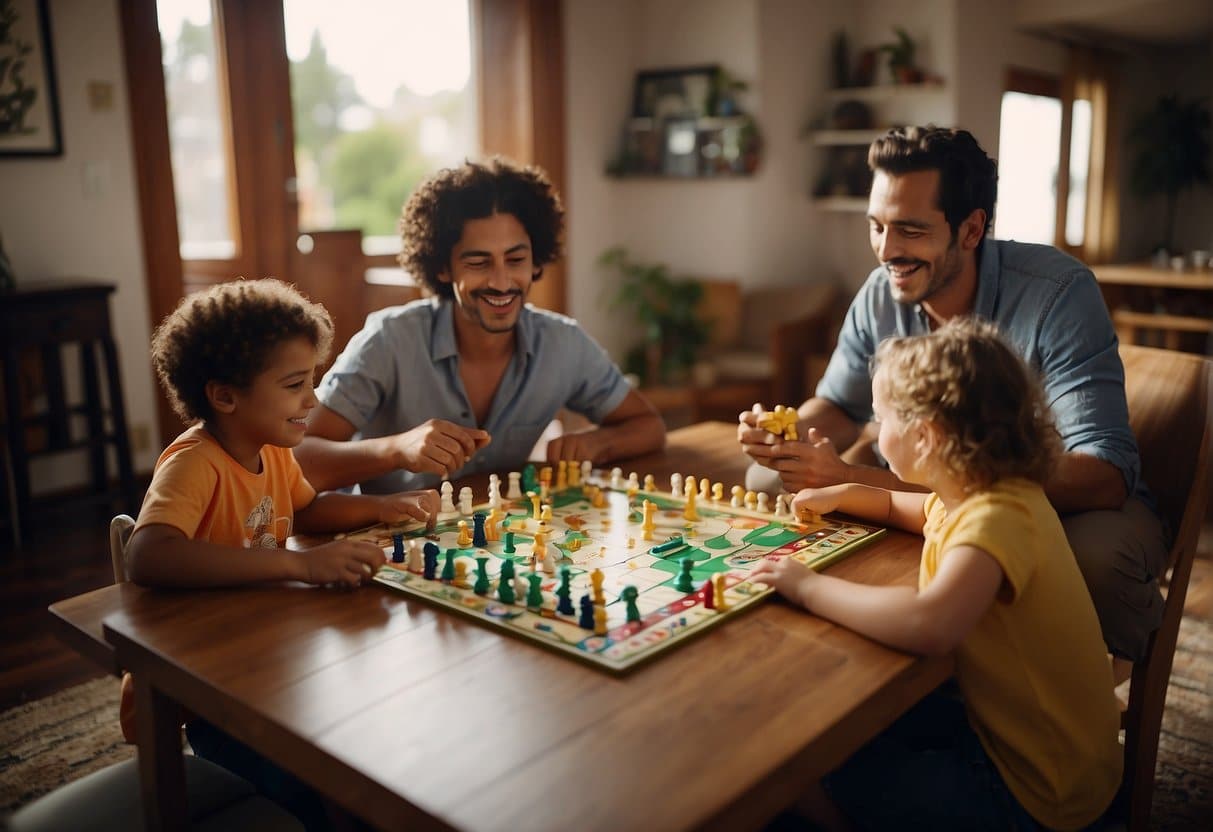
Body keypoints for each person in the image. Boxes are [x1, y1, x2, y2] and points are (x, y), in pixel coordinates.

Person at [738, 126, 1166, 664]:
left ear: (971, 229)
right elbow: (839, 406)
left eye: (910, 231)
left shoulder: (1058, 292)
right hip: (931, 483)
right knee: (770, 476)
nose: (887, 251)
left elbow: (1103, 474)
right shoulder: (880, 292)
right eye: (877, 227)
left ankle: (1070, 670)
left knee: (1095, 559)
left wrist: (860, 478)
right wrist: (785, 432)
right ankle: (893, 646)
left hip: (1058, 499)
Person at [752, 319, 1122, 831]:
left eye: (881, 421)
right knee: (857, 738)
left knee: (805, 778)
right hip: (1024, 742)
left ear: (925, 437)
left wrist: (808, 587)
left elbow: (931, 624)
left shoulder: (998, 517)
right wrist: (840, 494)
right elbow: (896, 507)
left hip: (1039, 791)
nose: (876, 435)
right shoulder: (980, 493)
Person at [122, 278, 438, 831]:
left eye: (311, 381)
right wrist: (299, 564)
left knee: (358, 754)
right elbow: (148, 553)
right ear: (225, 396)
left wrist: (384, 506)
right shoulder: (195, 463)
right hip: (207, 682)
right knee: (311, 793)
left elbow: (308, 510)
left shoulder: (273, 450)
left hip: (261, 659)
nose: (312, 401)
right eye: (295, 384)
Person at [296, 157, 666, 494]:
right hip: (386, 544)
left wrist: (595, 444)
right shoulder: (389, 340)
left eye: (515, 259)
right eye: (479, 262)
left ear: (536, 261)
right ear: (443, 267)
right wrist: (395, 450)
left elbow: (648, 426)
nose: (502, 282)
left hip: (504, 543)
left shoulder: (562, 342)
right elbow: (297, 460)